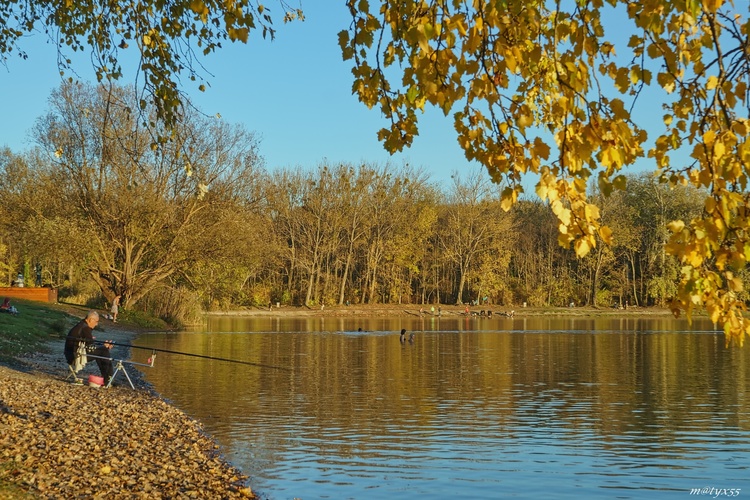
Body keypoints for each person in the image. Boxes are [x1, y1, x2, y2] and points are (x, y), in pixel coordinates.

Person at [64, 311, 114, 385]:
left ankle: (107, 379)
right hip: (74, 356)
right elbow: (91, 344)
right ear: (90, 320)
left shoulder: (81, 325)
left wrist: (102, 344)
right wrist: (104, 346)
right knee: (103, 351)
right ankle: (108, 379)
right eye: (96, 321)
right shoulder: (85, 328)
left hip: (71, 353)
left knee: (101, 350)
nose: (96, 324)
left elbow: (90, 343)